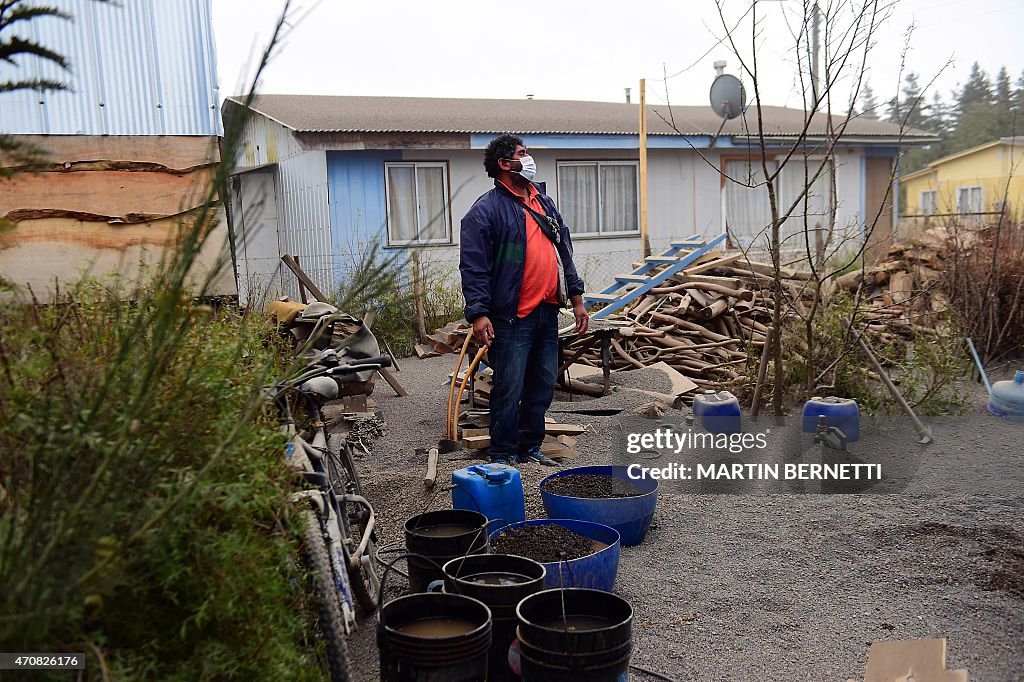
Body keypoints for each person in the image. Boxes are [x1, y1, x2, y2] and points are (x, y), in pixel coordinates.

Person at [460, 134, 589, 466]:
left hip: (547, 310)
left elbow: (565, 252)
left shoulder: (543, 204)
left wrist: (576, 298)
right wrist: (478, 313)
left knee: (543, 384)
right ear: (505, 164)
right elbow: (474, 267)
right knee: (509, 388)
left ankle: (530, 446)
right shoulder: (485, 212)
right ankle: (503, 453)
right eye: (522, 154)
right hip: (512, 316)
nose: (528, 159)